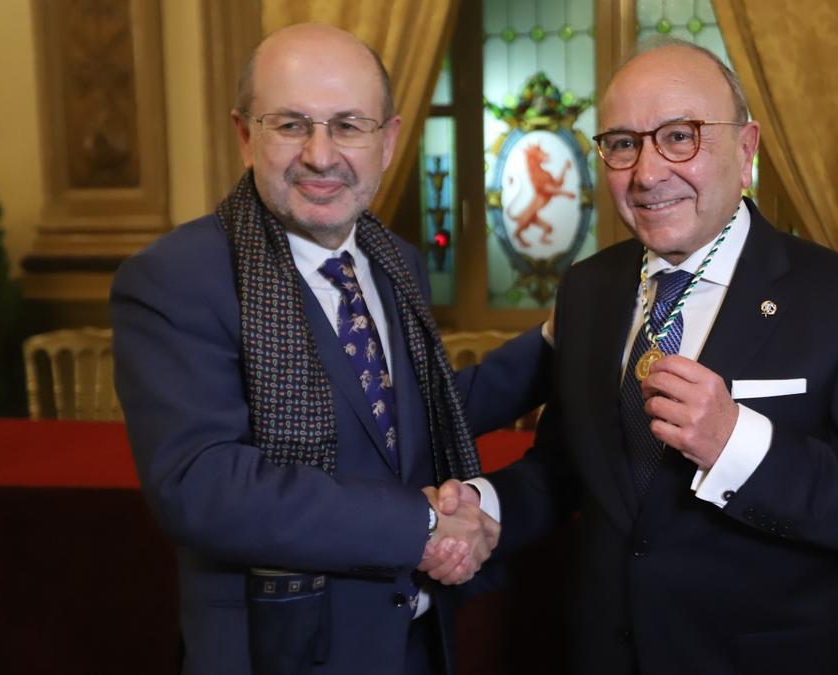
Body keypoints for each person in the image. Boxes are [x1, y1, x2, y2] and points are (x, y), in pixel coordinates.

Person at [439, 39, 838, 674]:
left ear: (746, 150)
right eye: (624, 143)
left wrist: (738, 444)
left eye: (680, 136)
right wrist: (487, 508)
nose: (648, 173)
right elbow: (568, 468)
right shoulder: (588, 288)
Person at [111, 23, 549, 675]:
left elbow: (403, 416)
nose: (321, 155)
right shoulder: (176, 276)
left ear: (389, 139)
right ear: (243, 134)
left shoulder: (393, 259)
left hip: (416, 646)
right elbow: (204, 485)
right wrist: (421, 524)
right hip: (280, 655)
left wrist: (556, 342)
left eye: (348, 125)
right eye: (291, 124)